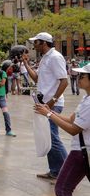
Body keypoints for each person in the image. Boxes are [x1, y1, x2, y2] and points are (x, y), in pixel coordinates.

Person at [34, 63, 90, 196]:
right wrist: (47, 112)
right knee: (63, 189)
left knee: (62, 189)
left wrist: (49, 114)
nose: (79, 78)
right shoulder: (86, 99)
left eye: (83, 76)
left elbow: (74, 129)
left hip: (82, 152)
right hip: (81, 151)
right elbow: (71, 119)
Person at [23, 32, 68, 180]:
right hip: (45, 104)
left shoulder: (55, 57)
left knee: (52, 138)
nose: (33, 45)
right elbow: (37, 78)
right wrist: (26, 64)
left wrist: (51, 102)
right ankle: (55, 170)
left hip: (52, 105)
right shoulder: (45, 58)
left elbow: (64, 81)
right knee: (48, 137)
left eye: (36, 42)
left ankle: (68, 172)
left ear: (43, 42)